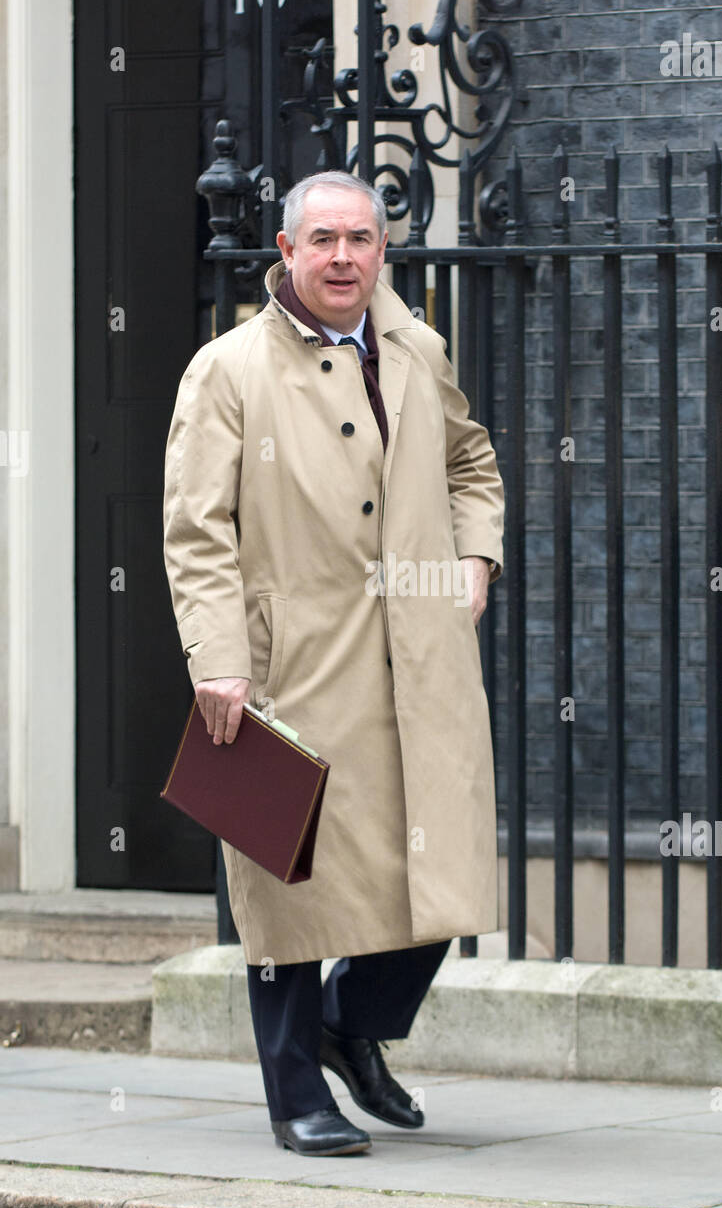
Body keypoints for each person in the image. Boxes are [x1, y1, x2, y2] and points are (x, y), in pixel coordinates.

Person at [163, 169, 505, 1156]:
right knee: (286, 880)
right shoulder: (226, 371)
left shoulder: (415, 347)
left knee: (442, 875)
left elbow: (469, 460)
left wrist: (474, 559)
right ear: (287, 251)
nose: (344, 256)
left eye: (360, 238)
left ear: (383, 251)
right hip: (290, 660)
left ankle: (352, 1024)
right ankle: (295, 1091)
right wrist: (218, 659)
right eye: (323, 240)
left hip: (418, 655)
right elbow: (198, 532)